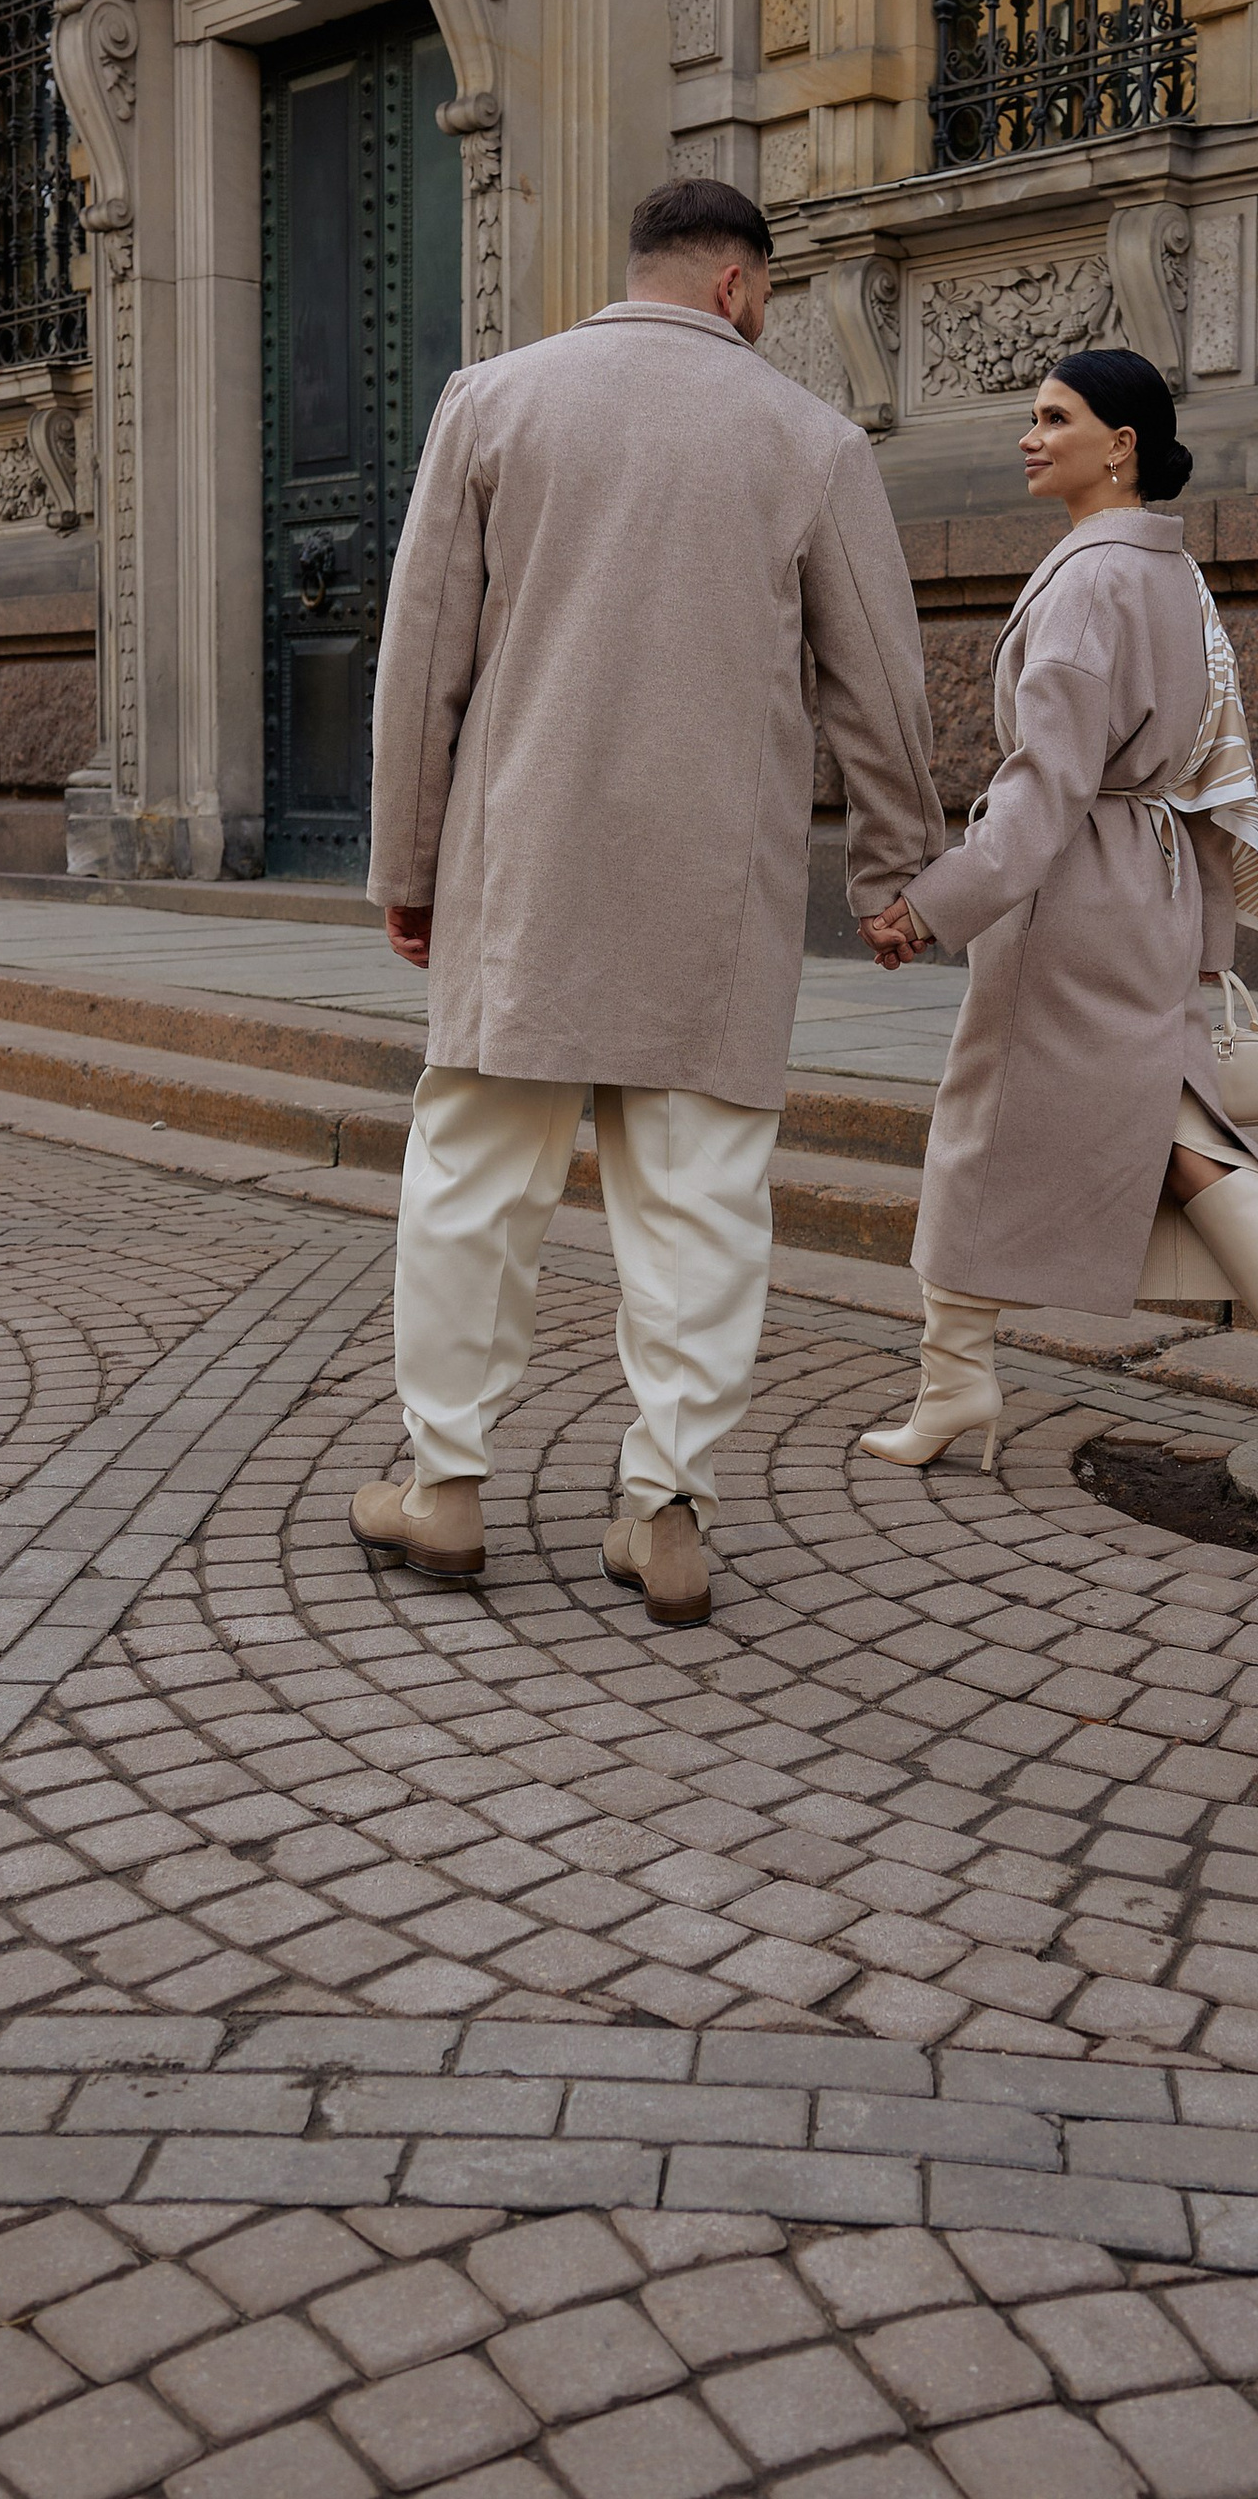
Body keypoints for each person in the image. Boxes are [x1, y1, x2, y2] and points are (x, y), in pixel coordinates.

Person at [357, 177, 943, 1625]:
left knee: (474, 1190)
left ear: (645, 271)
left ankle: (443, 1485)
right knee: (698, 1206)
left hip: (520, 867)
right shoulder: (808, 438)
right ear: (744, 288)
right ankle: (666, 1509)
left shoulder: (491, 403)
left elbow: (419, 656)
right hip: (712, 884)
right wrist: (894, 873)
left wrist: (407, 866)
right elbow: (882, 682)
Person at [857, 346, 1258, 1513]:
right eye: (1029, 415)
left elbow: (1044, 781)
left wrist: (936, 902)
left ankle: (959, 1381)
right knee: (1161, 1129)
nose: (1028, 434)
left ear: (1120, 445)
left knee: (1003, 1124)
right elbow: (1207, 771)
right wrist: (1200, 926)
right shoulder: (1171, 575)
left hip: (1074, 894)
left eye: (1053, 417)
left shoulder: (1090, 580)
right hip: (1142, 883)